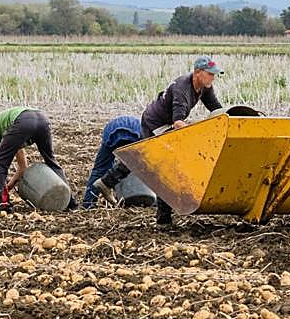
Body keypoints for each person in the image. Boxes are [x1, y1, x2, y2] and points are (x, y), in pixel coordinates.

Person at [94, 56, 224, 227]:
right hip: (154, 122)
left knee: (150, 161)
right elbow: (178, 122)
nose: (213, 78)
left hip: (166, 123)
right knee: (161, 164)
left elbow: (216, 109)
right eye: (210, 74)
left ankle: (106, 182)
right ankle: (163, 219)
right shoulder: (182, 89)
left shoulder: (205, 87)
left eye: (214, 75)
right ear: (198, 73)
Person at [0, 106, 76, 213]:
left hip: (24, 121)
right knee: (51, 161)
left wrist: (0, 192)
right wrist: (8, 186)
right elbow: (23, 167)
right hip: (42, 119)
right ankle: (70, 202)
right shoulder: (11, 133)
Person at [82, 115, 143, 208]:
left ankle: (88, 203)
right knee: (145, 167)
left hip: (111, 131)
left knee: (100, 169)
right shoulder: (146, 129)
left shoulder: (143, 124)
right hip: (135, 135)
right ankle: (157, 203)